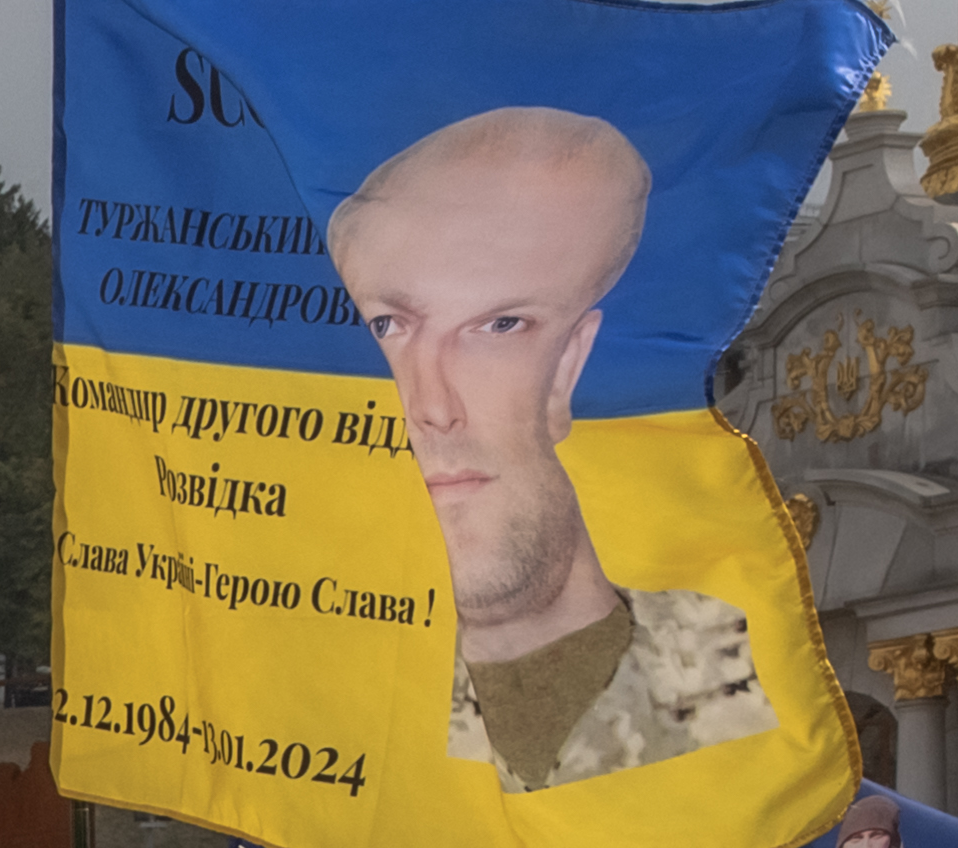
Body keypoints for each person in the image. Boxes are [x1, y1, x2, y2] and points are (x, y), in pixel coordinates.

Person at [325, 107, 775, 794]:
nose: (433, 407)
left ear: (569, 366)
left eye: (499, 324)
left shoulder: (735, 680)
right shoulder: (323, 703)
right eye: (388, 326)